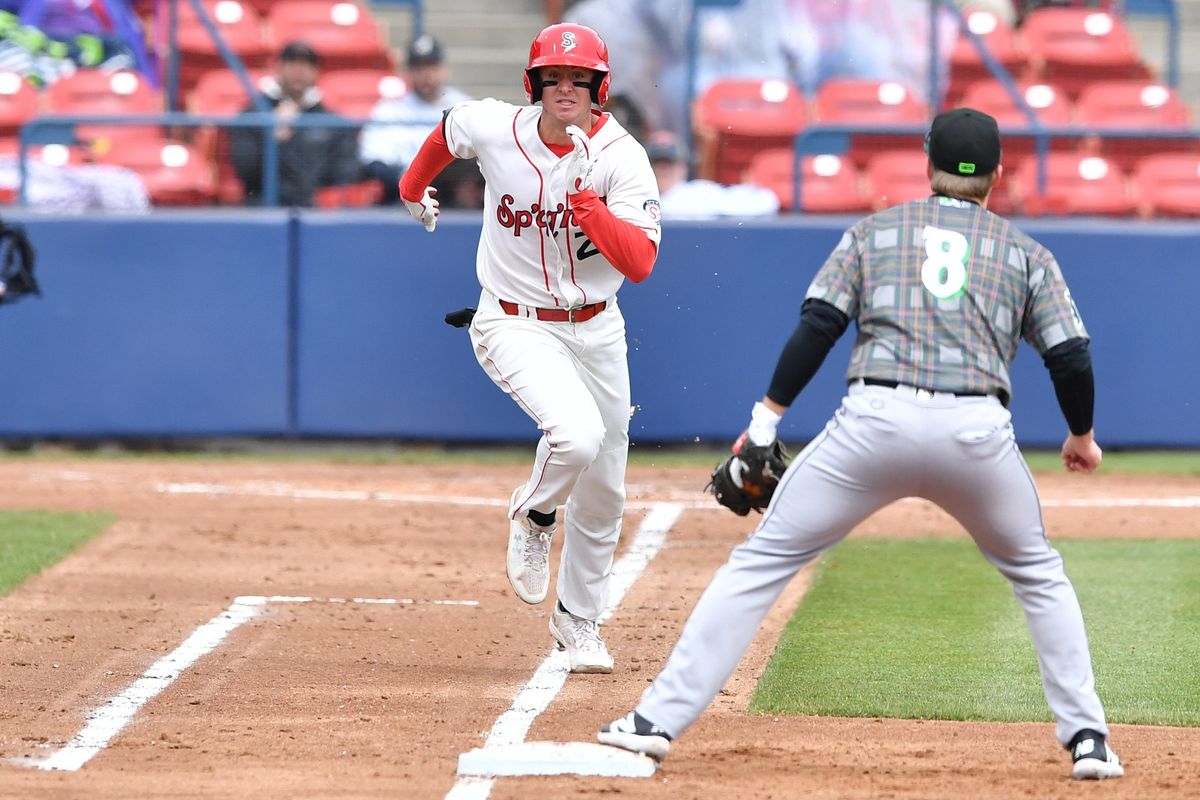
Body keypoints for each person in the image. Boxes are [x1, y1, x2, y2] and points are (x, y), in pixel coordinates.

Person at [597, 107, 1124, 781]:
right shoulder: (1028, 252)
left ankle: (654, 722)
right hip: (976, 434)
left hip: (875, 421)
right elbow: (1071, 357)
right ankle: (1088, 740)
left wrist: (764, 423)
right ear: (997, 175)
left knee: (761, 563)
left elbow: (818, 326)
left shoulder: (875, 231)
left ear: (926, 161)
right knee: (1039, 575)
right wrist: (1081, 436)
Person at [398, 23, 661, 674]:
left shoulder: (622, 157)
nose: (565, 88)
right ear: (533, 83)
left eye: (578, 78)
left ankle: (579, 622)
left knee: (605, 492)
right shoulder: (497, 126)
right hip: (512, 319)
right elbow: (447, 131)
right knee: (574, 436)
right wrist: (411, 188)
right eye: (553, 77)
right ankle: (534, 514)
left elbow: (642, 261)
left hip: (598, 326)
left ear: (600, 87)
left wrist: (588, 206)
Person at [229, 40, 361, 207]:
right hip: (265, 208)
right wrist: (274, 139)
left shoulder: (334, 122)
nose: (299, 70)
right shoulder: (251, 116)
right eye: (292, 62)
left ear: (316, 71)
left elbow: (346, 175)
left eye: (306, 64)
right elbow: (246, 173)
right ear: (278, 67)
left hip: (318, 212)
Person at [359, 34, 472, 204]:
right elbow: (374, 161)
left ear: (444, 69)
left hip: (453, 195)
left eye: (432, 66)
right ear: (407, 72)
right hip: (403, 197)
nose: (426, 74)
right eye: (419, 68)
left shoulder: (464, 106)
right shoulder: (390, 109)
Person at [645, 130, 780, 219]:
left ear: (683, 167)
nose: (662, 169)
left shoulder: (698, 193)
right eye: (656, 163)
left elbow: (767, 200)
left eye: (669, 163)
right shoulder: (631, 199)